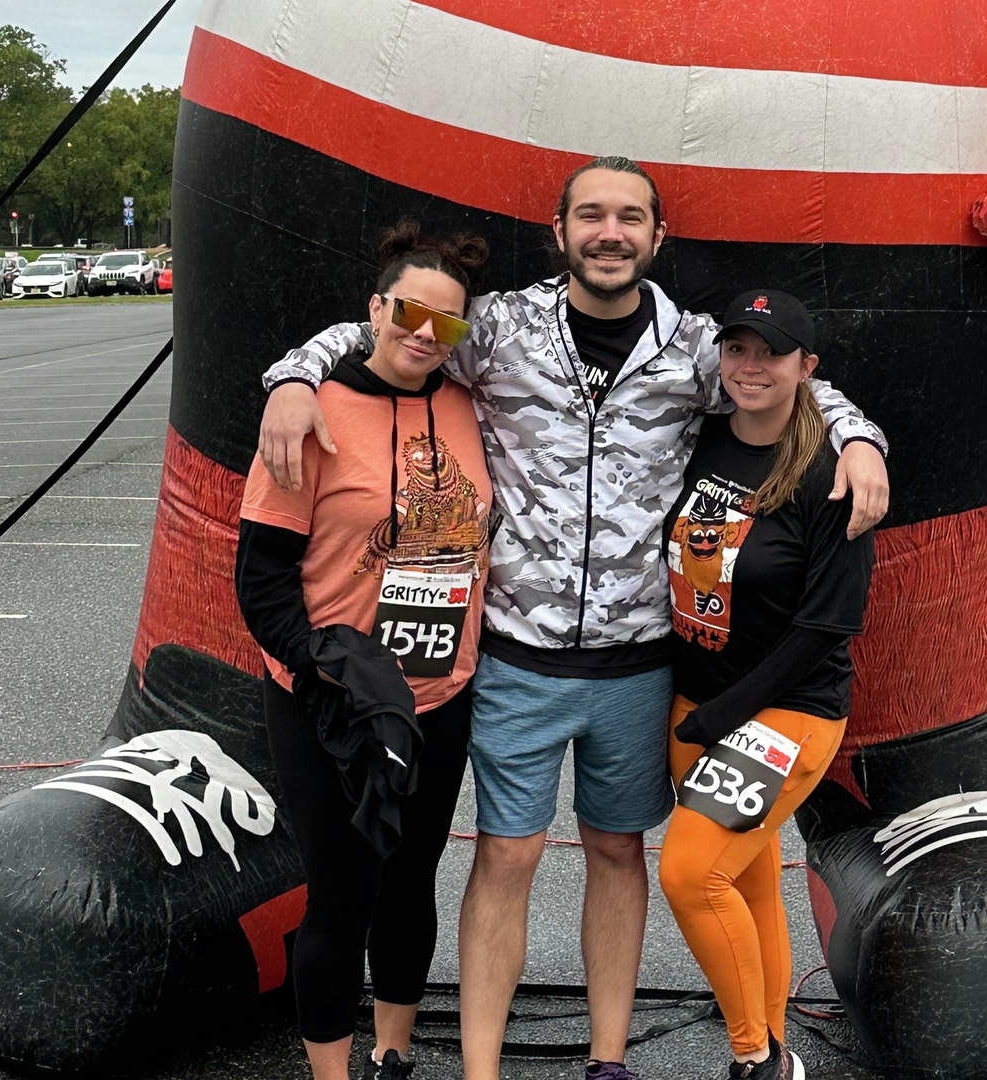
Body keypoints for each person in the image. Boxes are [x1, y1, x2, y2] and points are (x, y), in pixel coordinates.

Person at [255, 157, 890, 1080]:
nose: (610, 232)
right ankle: (479, 1071)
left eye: (630, 217)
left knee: (616, 853)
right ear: (559, 232)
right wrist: (292, 380)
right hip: (516, 652)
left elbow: (784, 381)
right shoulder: (501, 329)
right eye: (590, 214)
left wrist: (859, 436)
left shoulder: (696, 349)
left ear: (657, 238)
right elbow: (383, 332)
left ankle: (607, 1062)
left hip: (638, 665)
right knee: (505, 857)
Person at [237, 222, 495, 1080]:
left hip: (436, 693)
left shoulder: (468, 406)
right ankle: (330, 1072)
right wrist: (321, 667)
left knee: (410, 879)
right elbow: (262, 578)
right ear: (375, 309)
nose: (426, 334)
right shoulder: (310, 412)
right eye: (411, 312)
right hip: (331, 698)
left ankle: (391, 1054)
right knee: (342, 892)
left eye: (447, 324)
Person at [657, 289, 873, 1080]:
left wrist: (721, 715)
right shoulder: (703, 439)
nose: (750, 367)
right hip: (699, 704)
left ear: (806, 368)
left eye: (771, 353)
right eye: (738, 349)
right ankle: (774, 1044)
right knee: (746, 883)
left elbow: (827, 628)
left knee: (688, 872)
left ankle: (757, 1058)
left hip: (785, 711)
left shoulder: (833, 473)